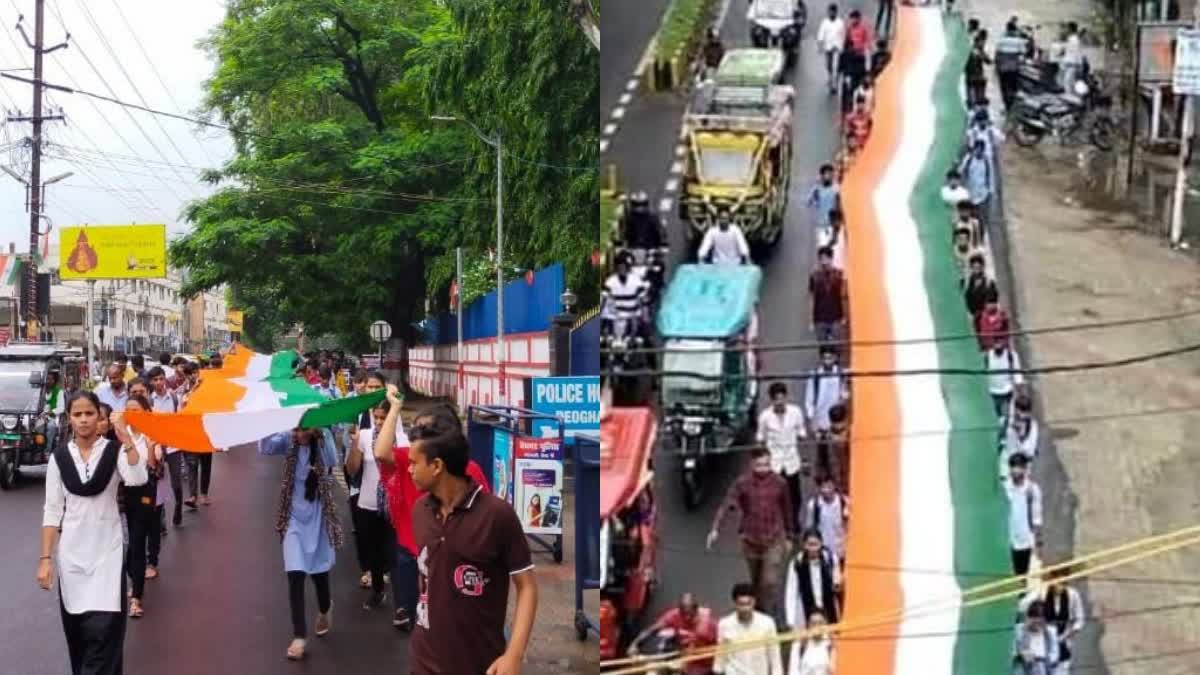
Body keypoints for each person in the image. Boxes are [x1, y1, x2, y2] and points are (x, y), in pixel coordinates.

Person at [408, 429, 538, 675]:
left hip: (480, 662)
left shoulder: (497, 515)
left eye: (414, 463)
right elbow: (427, 572)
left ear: (437, 466)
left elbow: (527, 586)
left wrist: (514, 655)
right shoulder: (420, 510)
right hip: (423, 660)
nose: (409, 470)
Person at [37, 391, 148, 675]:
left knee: (104, 636)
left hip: (107, 557)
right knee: (80, 637)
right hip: (72, 559)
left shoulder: (113, 451)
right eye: (78, 414)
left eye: (89, 413)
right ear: (69, 419)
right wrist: (46, 559)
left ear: (100, 417)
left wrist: (126, 438)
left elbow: (138, 478)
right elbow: (52, 511)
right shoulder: (60, 458)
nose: (84, 420)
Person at [373, 387, 491, 631]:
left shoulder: (472, 474)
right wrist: (394, 408)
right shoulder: (411, 461)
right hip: (412, 556)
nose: (411, 470)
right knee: (423, 623)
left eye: (424, 431)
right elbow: (382, 453)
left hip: (454, 564)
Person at [258, 427, 343, 660]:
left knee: (319, 573)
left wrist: (321, 434)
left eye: (302, 429)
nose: (297, 434)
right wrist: (265, 423)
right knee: (295, 573)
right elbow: (265, 447)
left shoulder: (322, 440)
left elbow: (333, 460)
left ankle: (326, 608)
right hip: (293, 517)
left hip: (318, 513)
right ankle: (299, 636)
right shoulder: (287, 440)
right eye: (295, 429)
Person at [707, 447, 796, 616]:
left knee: (768, 581)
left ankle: (769, 615)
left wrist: (790, 536)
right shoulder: (742, 483)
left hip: (774, 540)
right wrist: (715, 529)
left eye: (767, 464)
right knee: (756, 580)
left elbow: (787, 510)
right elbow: (728, 503)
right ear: (751, 464)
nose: (764, 469)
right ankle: (758, 609)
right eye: (759, 465)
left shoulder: (780, 483)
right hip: (750, 541)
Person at [122, 394, 160, 619]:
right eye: (128, 410)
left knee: (137, 542)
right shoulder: (118, 436)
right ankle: (134, 575)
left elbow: (154, 467)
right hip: (123, 495)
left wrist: (152, 453)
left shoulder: (151, 436)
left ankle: (136, 597)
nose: (131, 414)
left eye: (136, 410)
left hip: (145, 495)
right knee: (129, 545)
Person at [756, 382, 807, 532]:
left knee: (795, 496)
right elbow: (761, 436)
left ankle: (794, 523)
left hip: (792, 461)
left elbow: (801, 431)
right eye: (776, 399)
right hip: (775, 463)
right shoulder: (765, 416)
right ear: (771, 400)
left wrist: (803, 446)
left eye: (782, 398)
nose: (780, 402)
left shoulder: (795, 412)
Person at [627, 593, 718, 675]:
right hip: (683, 656)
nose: (687, 618)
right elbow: (652, 629)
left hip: (702, 662)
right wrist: (635, 644)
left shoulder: (706, 623)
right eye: (684, 614)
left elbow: (719, 643)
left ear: (697, 610)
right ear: (679, 610)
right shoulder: (674, 615)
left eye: (691, 615)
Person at [1018, 567, 1084, 674]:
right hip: (1043, 642)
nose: (1060, 586)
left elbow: (1079, 620)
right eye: (1057, 582)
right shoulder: (1043, 593)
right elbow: (1022, 607)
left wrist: (1065, 636)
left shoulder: (1072, 595)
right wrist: (1038, 590)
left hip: (1063, 643)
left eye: (1063, 583)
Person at [713, 582, 784, 675]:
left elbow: (775, 657)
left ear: (754, 602)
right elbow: (720, 656)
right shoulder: (725, 624)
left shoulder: (767, 623)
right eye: (741, 604)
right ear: (735, 604)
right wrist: (718, 670)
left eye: (748, 603)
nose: (745, 608)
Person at [148, 368, 188, 527]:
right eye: (155, 380)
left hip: (173, 447)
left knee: (176, 482)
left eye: (161, 378)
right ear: (151, 382)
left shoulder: (174, 398)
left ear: (165, 379)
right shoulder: (149, 401)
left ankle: (178, 507)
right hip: (156, 447)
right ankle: (161, 518)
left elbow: (180, 420)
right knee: (159, 482)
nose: (158, 382)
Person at [1004, 453, 1043, 576]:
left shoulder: (1032, 489)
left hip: (1026, 539)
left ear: (1025, 469)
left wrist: (1038, 540)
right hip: (1008, 539)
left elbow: (1037, 516)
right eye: (1013, 466)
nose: (1015, 470)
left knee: (1023, 572)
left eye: (1019, 466)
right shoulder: (1004, 488)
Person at [803, 475, 849, 564]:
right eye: (823, 487)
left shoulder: (844, 502)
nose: (826, 490)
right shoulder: (813, 505)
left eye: (829, 487)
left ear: (834, 486)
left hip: (840, 550)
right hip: (821, 551)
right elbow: (809, 528)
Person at [805, 346, 849, 438]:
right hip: (820, 421)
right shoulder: (815, 375)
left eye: (829, 358)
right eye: (824, 358)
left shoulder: (841, 373)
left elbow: (844, 393)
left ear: (835, 358)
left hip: (836, 421)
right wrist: (812, 420)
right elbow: (809, 399)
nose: (827, 361)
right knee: (823, 448)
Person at [809, 246, 848, 345]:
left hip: (836, 317)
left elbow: (843, 297)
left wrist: (844, 316)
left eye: (826, 259)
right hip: (820, 318)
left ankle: (837, 359)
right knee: (822, 345)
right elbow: (812, 298)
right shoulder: (814, 276)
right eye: (821, 259)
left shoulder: (839, 275)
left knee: (837, 344)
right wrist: (811, 320)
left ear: (831, 259)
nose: (824, 262)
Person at [1012, 600, 1060, 675]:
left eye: (1042, 618)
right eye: (1034, 617)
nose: (1038, 621)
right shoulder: (1019, 630)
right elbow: (1012, 654)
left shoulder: (1051, 632)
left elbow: (1055, 656)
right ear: (1028, 617)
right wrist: (1021, 653)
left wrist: (1039, 659)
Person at [986, 337, 1024, 423]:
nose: (998, 346)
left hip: (1007, 391)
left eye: (1000, 343)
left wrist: (1020, 390)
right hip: (993, 392)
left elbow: (1017, 372)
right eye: (996, 344)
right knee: (998, 417)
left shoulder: (1011, 355)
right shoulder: (988, 356)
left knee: (1008, 415)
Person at [1002, 394, 1040, 475]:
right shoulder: (1010, 425)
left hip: (1024, 464)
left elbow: (1029, 451)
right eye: (1017, 410)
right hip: (1010, 463)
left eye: (1023, 410)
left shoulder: (1033, 426)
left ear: (1028, 412)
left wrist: (1021, 436)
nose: (1019, 413)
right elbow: (1009, 446)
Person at [995, 19, 1027, 111]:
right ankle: (1012, 104)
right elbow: (1023, 54)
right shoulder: (1019, 41)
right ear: (1014, 30)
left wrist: (997, 68)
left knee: (1004, 88)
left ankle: (1006, 105)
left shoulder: (1001, 40)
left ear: (1006, 29)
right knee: (1013, 87)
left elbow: (997, 55)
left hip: (1003, 68)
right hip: (1014, 68)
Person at [959, 140, 993, 229]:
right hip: (969, 193)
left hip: (982, 195)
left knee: (979, 217)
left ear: (983, 150)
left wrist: (990, 192)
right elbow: (961, 171)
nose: (978, 152)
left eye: (980, 150)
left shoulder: (987, 161)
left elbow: (990, 176)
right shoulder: (968, 159)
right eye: (976, 149)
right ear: (974, 149)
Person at [806, 164, 841, 245]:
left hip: (832, 225)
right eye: (826, 174)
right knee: (823, 251)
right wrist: (814, 192)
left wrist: (837, 229)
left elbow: (839, 209)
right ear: (822, 176)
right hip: (821, 226)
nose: (829, 176)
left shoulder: (836, 189)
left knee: (832, 250)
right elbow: (808, 202)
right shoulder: (817, 189)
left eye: (830, 174)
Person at [816, 4, 846, 94]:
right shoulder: (824, 22)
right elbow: (821, 34)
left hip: (837, 47)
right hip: (828, 47)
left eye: (833, 11)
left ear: (836, 12)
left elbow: (843, 35)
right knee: (828, 65)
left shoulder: (840, 22)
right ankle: (830, 77)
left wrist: (842, 46)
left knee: (835, 66)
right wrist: (820, 45)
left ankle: (834, 84)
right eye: (830, 11)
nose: (831, 13)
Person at [962, 253, 998, 319]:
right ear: (971, 268)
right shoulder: (966, 282)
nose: (977, 270)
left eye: (979, 267)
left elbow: (993, 301)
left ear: (982, 267)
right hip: (972, 317)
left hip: (985, 319)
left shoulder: (989, 282)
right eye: (974, 267)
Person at [975, 287, 1011, 351]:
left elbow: (1007, 333)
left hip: (1000, 349)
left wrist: (1002, 344)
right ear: (985, 304)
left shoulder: (1003, 315)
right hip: (986, 349)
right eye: (989, 303)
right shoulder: (979, 316)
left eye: (994, 302)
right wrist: (982, 345)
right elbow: (978, 334)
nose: (991, 305)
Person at [965, 30, 992, 105]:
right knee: (980, 83)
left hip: (971, 73)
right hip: (975, 74)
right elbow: (987, 60)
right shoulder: (977, 49)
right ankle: (979, 100)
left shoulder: (971, 48)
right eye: (983, 41)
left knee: (973, 85)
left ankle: (972, 101)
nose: (984, 43)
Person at [43, 369, 66, 452]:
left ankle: (47, 449)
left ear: (54, 380)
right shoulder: (41, 391)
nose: (48, 381)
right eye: (47, 379)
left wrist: (50, 412)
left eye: (50, 379)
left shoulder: (59, 392)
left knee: (51, 426)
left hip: (52, 418)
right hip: (39, 417)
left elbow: (61, 408)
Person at [1058, 22, 1082, 93]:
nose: (1066, 30)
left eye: (1067, 28)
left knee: (1068, 83)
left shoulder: (1074, 39)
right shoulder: (1072, 38)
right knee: (1066, 82)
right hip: (1069, 65)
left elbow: (1073, 53)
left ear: (1070, 29)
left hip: (1071, 65)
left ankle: (1070, 98)